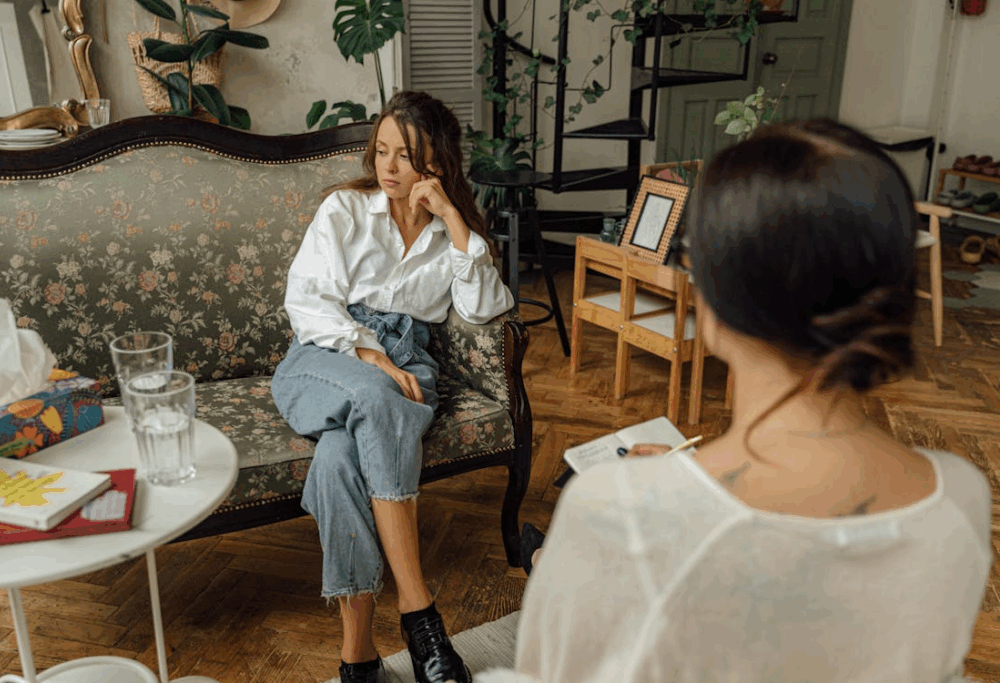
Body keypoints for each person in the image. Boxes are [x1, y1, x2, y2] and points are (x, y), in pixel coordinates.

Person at [483, 119, 992, 683]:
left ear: (716, 292)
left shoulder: (616, 510)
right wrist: (676, 488)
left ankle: (537, 560)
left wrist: (650, 501)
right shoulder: (962, 497)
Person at [271, 90, 514, 683]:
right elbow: (308, 302)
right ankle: (419, 613)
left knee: (337, 462)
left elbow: (486, 308)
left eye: (404, 155)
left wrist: (455, 220)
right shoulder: (345, 211)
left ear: (436, 161)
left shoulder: (446, 233)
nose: (387, 166)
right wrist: (371, 356)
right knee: (377, 399)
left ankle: (357, 657)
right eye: (381, 151)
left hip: (412, 365)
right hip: (323, 356)